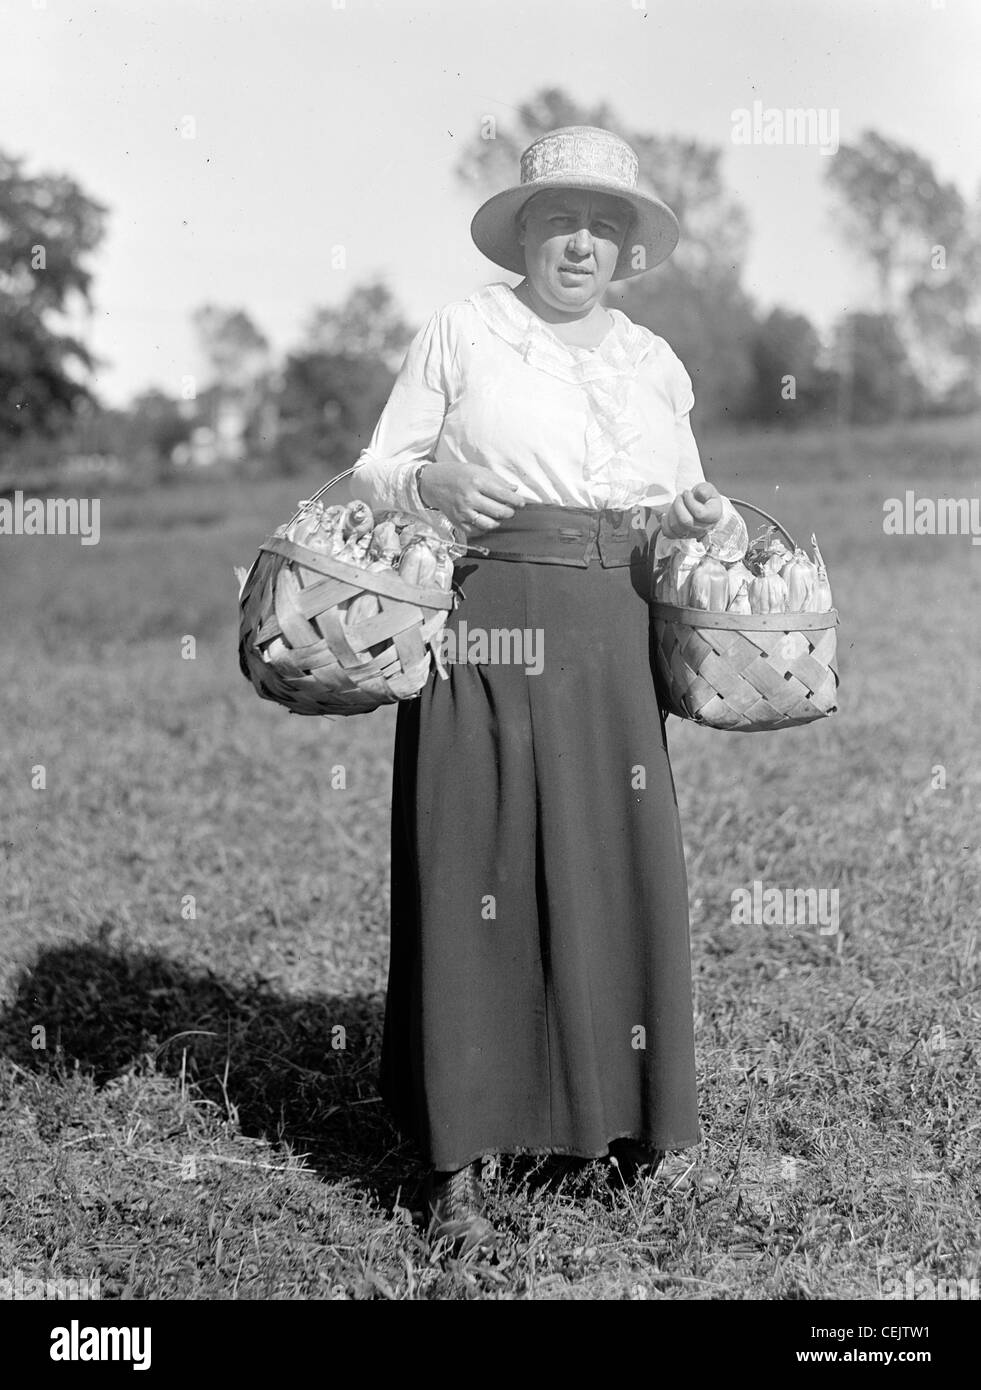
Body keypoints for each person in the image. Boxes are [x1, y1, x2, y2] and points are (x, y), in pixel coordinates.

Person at [349, 126, 733, 1255]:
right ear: (524, 231)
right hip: (490, 614)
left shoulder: (655, 361)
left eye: (605, 225)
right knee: (478, 854)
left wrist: (697, 514)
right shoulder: (467, 330)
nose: (581, 242)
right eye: (561, 220)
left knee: (612, 862)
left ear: (628, 250)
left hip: (616, 626)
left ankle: (606, 1129)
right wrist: (427, 478)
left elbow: (689, 495)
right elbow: (379, 463)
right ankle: (458, 1166)